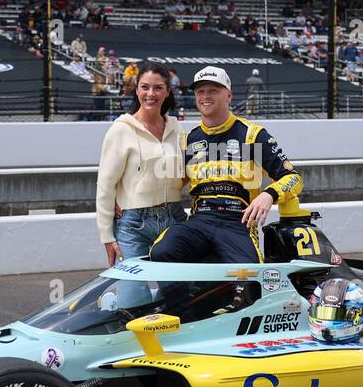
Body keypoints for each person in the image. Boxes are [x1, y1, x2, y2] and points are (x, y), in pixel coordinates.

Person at [150, 66, 302, 265]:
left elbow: (294, 178)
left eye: (213, 90)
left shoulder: (253, 135)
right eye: (200, 91)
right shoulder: (187, 141)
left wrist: (268, 194)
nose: (205, 96)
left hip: (239, 222)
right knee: (160, 252)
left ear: (229, 95)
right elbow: (167, 186)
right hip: (199, 220)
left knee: (250, 278)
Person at [95, 62, 184, 267]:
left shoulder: (176, 128)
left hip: (175, 219)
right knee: (132, 296)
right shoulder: (121, 130)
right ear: (136, 90)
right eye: (144, 87)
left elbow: (185, 173)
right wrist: (107, 236)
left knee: (177, 294)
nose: (150, 93)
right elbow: (105, 186)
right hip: (133, 224)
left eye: (158, 88)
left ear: (167, 92)